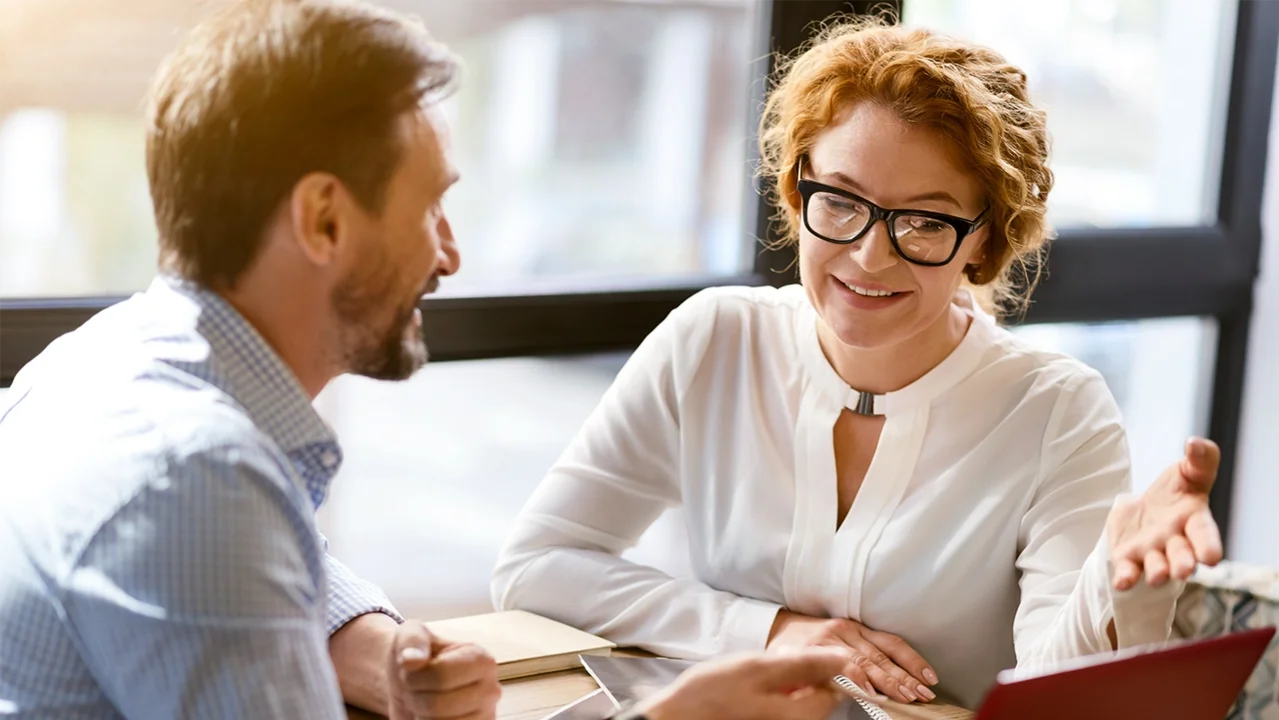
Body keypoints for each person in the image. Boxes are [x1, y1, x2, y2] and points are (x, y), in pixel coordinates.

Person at [0, 1, 853, 719]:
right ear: (324, 220)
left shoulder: (99, 363)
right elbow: (211, 527)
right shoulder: (199, 479)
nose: (449, 254)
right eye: (432, 207)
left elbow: (249, 554)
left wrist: (369, 645)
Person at [491, 16, 1226, 711]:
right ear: (797, 184)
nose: (869, 255)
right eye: (841, 202)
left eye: (923, 221)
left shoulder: (1057, 411)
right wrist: (776, 632)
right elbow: (536, 565)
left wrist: (1118, 582)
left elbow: (1046, 694)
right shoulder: (714, 338)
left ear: (981, 240)